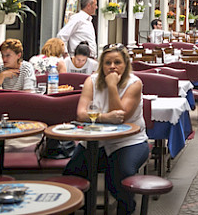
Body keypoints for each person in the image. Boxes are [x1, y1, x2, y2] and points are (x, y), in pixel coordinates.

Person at [63, 44, 149, 215]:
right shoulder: (91, 81)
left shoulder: (134, 83)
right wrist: (104, 118)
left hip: (129, 142)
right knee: (72, 173)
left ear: (125, 64)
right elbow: (81, 114)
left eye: (117, 62)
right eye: (107, 63)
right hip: (95, 141)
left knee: (119, 176)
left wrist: (112, 86)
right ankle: (85, 208)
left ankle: (126, 208)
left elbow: (121, 118)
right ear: (101, 65)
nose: (112, 67)